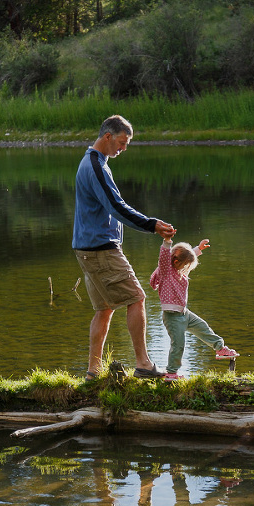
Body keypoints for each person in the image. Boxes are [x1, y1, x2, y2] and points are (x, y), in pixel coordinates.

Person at [72, 114, 175, 380]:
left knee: (104, 308)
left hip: (88, 249)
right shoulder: (95, 165)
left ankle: (93, 372)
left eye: (126, 143)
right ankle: (143, 364)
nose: (124, 148)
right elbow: (116, 207)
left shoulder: (96, 163)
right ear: (107, 137)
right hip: (100, 249)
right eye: (121, 142)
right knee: (137, 298)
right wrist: (151, 225)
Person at [149, 236, 239, 381]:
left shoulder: (179, 272)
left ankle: (220, 349)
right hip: (172, 317)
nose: (187, 269)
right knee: (178, 345)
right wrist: (167, 241)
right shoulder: (166, 272)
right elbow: (164, 258)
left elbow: (186, 256)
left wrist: (198, 249)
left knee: (203, 328)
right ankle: (172, 373)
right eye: (186, 266)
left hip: (184, 313)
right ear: (176, 262)